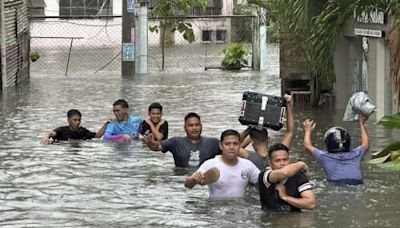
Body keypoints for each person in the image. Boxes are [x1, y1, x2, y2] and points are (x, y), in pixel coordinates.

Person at [185, 129, 260, 198]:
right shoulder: (210, 164)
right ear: (221, 145)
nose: (231, 147)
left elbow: (263, 181)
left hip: (240, 209)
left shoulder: (248, 165)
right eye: (227, 144)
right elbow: (188, 185)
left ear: (240, 145)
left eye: (235, 144)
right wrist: (194, 179)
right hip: (217, 209)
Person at [303, 115, 369, 185]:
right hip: (357, 183)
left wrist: (307, 131)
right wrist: (361, 124)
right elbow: (366, 144)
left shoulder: (324, 157)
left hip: (336, 183)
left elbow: (307, 146)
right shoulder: (356, 154)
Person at [142, 112, 220, 168]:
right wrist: (150, 143)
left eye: (197, 125)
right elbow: (157, 146)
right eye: (190, 125)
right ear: (185, 128)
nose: (194, 128)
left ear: (201, 126)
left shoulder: (213, 143)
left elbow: (230, 152)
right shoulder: (176, 142)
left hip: (204, 183)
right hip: (181, 181)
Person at [239, 94, 294, 170]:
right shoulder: (279, 154)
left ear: (252, 142)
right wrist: (288, 104)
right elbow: (290, 132)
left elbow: (233, 146)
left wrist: (248, 130)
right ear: (267, 138)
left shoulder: (250, 157)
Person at [259, 143, 316, 212]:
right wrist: (301, 164)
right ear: (270, 163)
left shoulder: (298, 175)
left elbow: (311, 204)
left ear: (289, 160)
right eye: (277, 160)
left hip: (294, 219)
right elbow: (284, 173)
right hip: (271, 218)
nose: (282, 163)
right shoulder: (265, 175)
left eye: (285, 159)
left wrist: (285, 197)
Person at [41, 109, 109, 144]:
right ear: (68, 120)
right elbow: (51, 133)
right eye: (75, 120)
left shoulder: (83, 131)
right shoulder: (62, 130)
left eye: (79, 120)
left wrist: (108, 122)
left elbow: (97, 136)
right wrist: (46, 137)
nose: (77, 122)